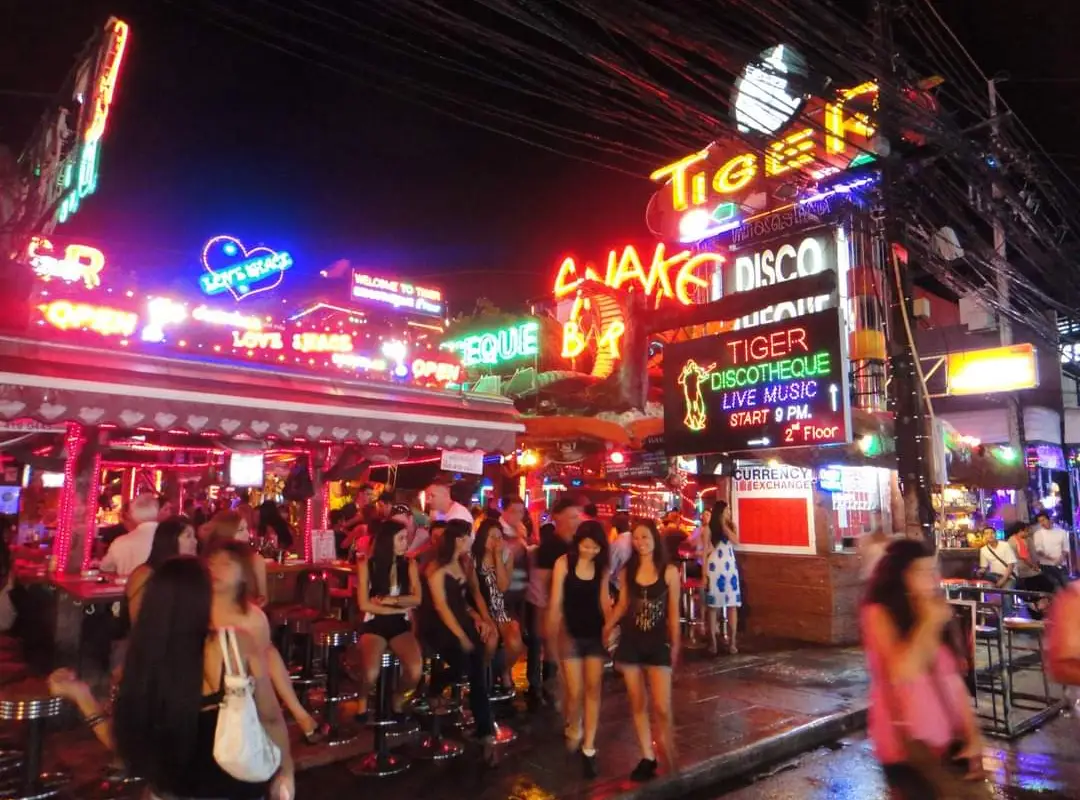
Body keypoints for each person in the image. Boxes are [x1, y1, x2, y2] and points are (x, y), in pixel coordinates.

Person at [48, 556, 295, 800]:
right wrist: (286, 770)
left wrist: (82, 696)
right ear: (203, 598)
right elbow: (271, 717)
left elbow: (125, 743)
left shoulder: (142, 658)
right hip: (235, 789)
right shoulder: (234, 644)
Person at [862, 538, 984, 797]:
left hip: (947, 740)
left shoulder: (934, 609)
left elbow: (952, 679)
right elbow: (902, 670)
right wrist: (929, 622)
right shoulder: (878, 613)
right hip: (906, 747)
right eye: (923, 572)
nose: (933, 579)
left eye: (934, 571)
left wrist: (972, 734)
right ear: (901, 575)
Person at [207, 540, 328, 745]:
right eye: (211, 563)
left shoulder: (251, 618)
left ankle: (300, 717)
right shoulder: (193, 605)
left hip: (232, 701)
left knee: (266, 653)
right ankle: (301, 716)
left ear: (242, 574)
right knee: (268, 653)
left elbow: (262, 690)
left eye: (226, 564)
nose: (216, 569)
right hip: (201, 702)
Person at [606, 518, 681, 782]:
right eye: (636, 538)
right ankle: (648, 756)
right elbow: (624, 603)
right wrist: (607, 627)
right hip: (631, 642)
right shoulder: (629, 570)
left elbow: (673, 614)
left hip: (658, 644)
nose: (640, 543)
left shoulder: (669, 571)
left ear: (655, 539)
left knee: (661, 706)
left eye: (645, 538)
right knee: (637, 702)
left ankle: (669, 751)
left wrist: (675, 645)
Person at [425, 518, 498, 764]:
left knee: (477, 674)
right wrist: (462, 635)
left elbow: (466, 600)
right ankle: (435, 684)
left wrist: (480, 618)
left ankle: (486, 732)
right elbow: (442, 608)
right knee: (466, 666)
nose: (471, 540)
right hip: (440, 628)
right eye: (468, 536)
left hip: (462, 623)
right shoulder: (437, 570)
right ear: (458, 539)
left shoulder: (463, 564)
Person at [548, 520, 611, 778]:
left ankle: (589, 747)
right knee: (574, 693)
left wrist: (611, 628)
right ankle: (574, 723)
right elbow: (555, 603)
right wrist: (551, 637)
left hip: (595, 635)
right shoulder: (563, 563)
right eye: (587, 547)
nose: (591, 552)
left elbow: (604, 602)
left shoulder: (601, 567)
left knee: (593, 690)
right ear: (578, 544)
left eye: (596, 548)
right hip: (571, 635)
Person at [355, 520, 423, 720]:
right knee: (370, 673)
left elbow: (417, 598)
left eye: (406, 538)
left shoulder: (409, 564)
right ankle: (363, 698)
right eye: (401, 538)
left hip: (399, 624)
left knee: (415, 670)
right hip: (374, 623)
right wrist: (396, 608)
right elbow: (364, 605)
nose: (406, 543)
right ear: (387, 541)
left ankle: (398, 698)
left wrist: (391, 600)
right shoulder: (367, 565)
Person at [525, 497, 583, 704]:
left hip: (561, 604)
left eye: (578, 517)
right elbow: (542, 583)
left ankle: (548, 687)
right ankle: (537, 688)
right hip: (545, 603)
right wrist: (548, 611)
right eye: (572, 517)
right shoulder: (551, 546)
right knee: (542, 644)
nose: (577, 521)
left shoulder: (574, 543)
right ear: (558, 518)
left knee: (555, 646)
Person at [473, 518, 524, 688]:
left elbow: (503, 586)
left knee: (515, 639)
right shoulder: (473, 558)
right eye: (491, 537)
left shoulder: (506, 555)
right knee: (491, 640)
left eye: (499, 537)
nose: (495, 541)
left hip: (503, 607)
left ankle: (505, 670)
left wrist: (497, 556)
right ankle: (483, 673)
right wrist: (485, 617)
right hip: (482, 608)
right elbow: (474, 592)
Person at [126, 515, 198, 623]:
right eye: (188, 536)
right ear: (170, 539)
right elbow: (138, 620)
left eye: (194, 536)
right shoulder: (145, 575)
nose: (195, 541)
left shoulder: (189, 572)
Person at [204, 510, 268, 605]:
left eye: (247, 528)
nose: (247, 534)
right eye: (241, 530)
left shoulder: (255, 560)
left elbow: (263, 599)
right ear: (225, 533)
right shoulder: (211, 560)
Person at [704, 501, 742, 655]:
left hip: (730, 569)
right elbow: (705, 552)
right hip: (714, 568)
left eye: (729, 510)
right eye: (726, 511)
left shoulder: (731, 527)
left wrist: (725, 527)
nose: (729, 513)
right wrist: (703, 574)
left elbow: (736, 541)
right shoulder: (709, 529)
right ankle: (713, 641)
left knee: (733, 605)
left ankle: (732, 641)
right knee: (713, 607)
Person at [100, 493, 160, 577]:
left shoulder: (120, 542)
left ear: (132, 515)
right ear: (157, 511)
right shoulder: (174, 538)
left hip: (128, 588)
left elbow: (105, 568)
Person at [1032, 510, 1070, 591]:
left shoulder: (1061, 532)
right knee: (1057, 586)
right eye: (1040, 522)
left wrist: (1061, 558)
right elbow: (1039, 550)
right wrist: (1052, 558)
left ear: (1049, 519)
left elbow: (1066, 548)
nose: (1042, 523)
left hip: (1061, 565)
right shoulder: (1038, 534)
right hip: (1046, 566)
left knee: (1067, 587)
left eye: (1043, 520)